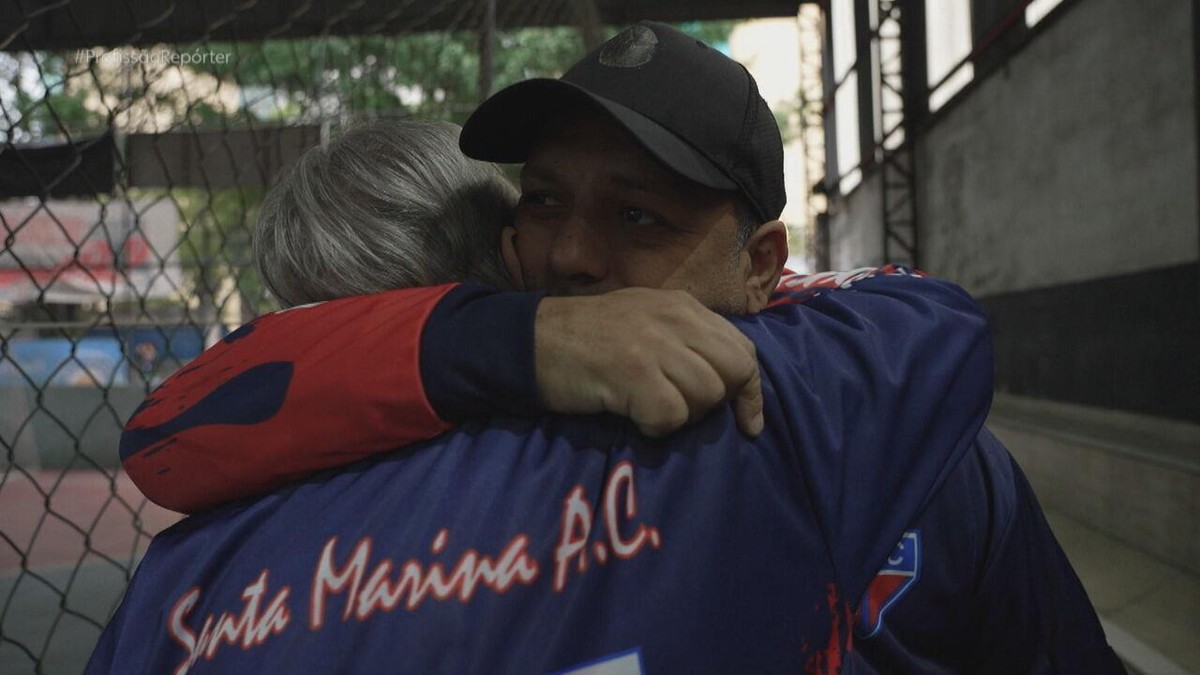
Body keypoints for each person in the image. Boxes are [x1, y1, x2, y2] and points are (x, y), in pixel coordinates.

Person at [108, 22, 1120, 673]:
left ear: (764, 265)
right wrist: (516, 339)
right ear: (500, 254)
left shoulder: (905, 456)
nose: (573, 257)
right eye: (544, 203)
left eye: (640, 218)